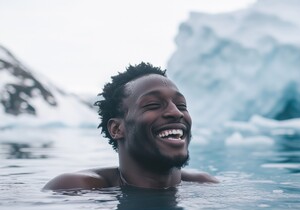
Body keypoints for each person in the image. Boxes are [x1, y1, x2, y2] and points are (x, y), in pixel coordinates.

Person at [43, 62, 218, 190]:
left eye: (182, 106)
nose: (176, 112)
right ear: (116, 129)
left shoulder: (205, 185)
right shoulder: (74, 189)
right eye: (153, 105)